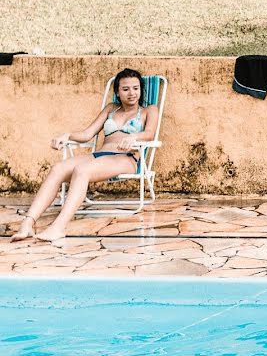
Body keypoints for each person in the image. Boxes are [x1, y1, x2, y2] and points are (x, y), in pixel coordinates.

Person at [10, 68, 160, 243]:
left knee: (82, 170)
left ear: (140, 89)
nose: (131, 93)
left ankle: (58, 227)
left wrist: (135, 136)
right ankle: (28, 223)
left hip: (126, 158)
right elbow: (87, 134)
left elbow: (149, 134)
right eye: (125, 89)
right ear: (118, 92)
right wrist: (67, 135)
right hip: (99, 155)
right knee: (58, 168)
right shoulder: (111, 109)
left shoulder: (149, 110)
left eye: (135, 88)